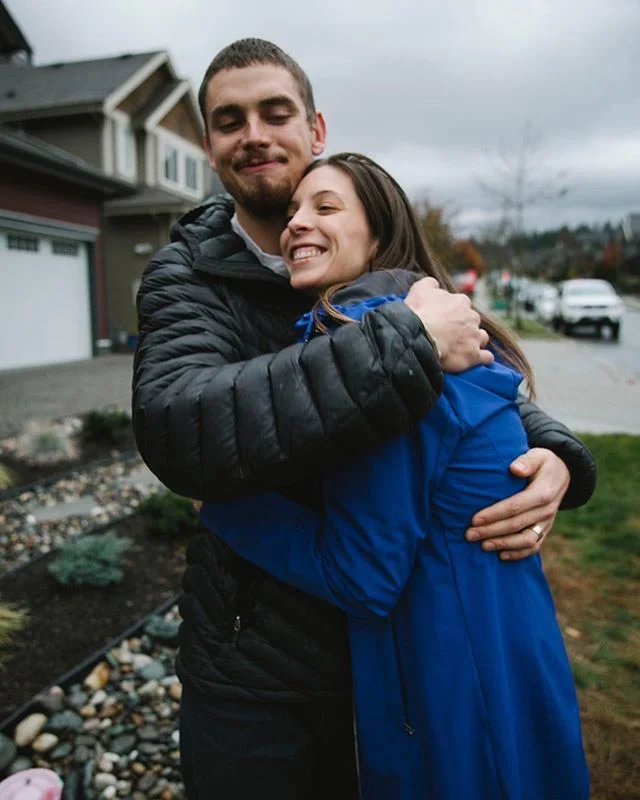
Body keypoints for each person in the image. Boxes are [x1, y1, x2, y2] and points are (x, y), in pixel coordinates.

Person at [132, 39, 596, 798]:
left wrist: (553, 452)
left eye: (275, 113)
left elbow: (478, 382)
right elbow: (179, 425)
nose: (254, 134)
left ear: (315, 130)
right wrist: (409, 341)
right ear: (209, 146)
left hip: (391, 657)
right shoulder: (187, 277)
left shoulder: (377, 285)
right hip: (258, 664)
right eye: (229, 120)